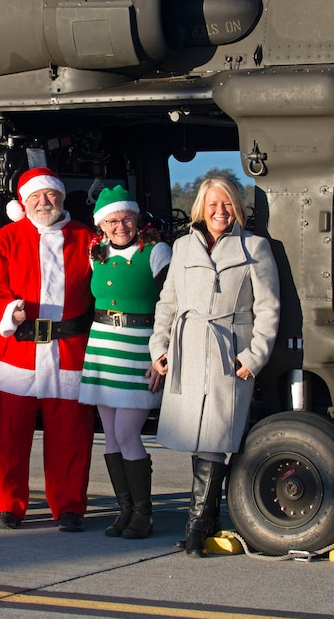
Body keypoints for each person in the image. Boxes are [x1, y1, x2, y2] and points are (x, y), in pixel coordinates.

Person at [150, 176, 280, 557]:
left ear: (236, 207)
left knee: (217, 435)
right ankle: (209, 523)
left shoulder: (255, 248)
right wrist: (159, 347)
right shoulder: (182, 246)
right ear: (200, 209)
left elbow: (268, 308)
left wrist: (255, 355)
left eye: (226, 204)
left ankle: (195, 525)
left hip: (228, 352)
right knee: (199, 436)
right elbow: (167, 303)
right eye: (212, 205)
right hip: (187, 349)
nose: (219, 211)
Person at [0, 167, 96, 532]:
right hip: (19, 351)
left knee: (72, 435)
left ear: (61, 198)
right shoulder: (8, 237)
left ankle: (69, 505)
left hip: (70, 349)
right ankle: (6, 504)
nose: (44, 202)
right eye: (36, 197)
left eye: (50, 196)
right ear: (23, 202)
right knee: (10, 436)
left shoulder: (85, 238)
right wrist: (8, 310)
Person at [78, 185, 171, 539]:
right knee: (112, 438)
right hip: (102, 348)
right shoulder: (95, 253)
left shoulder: (156, 251)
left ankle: (144, 514)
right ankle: (125, 511)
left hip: (138, 350)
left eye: (127, 218)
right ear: (102, 225)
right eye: (113, 220)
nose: (121, 225)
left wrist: (163, 355)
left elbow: (174, 304)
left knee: (127, 433)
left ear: (136, 218)